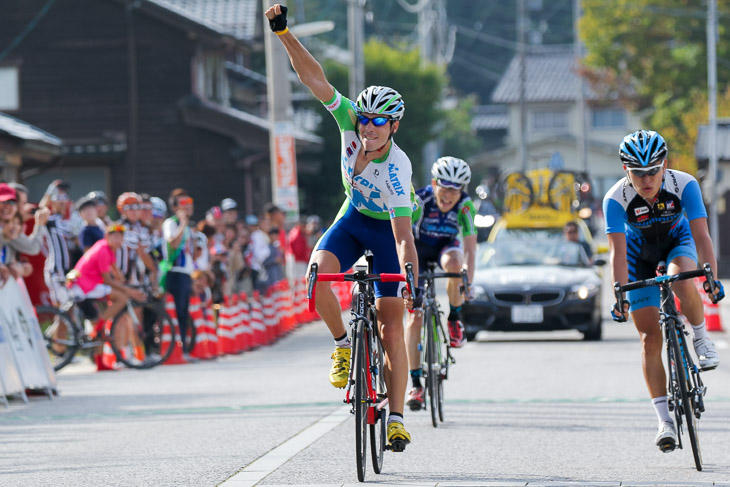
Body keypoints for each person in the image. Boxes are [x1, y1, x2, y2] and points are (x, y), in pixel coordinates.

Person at [265, 3, 420, 450]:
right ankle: (342, 343)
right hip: (352, 219)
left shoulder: (397, 168)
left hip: (388, 230)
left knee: (392, 327)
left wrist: (408, 275)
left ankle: (395, 417)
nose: (368, 128)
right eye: (365, 120)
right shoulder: (349, 121)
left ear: (393, 126)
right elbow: (315, 79)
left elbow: (403, 236)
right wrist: (283, 33)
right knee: (316, 280)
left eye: (378, 123)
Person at [604, 129, 724, 453]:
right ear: (626, 171)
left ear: (665, 165)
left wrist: (710, 278)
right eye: (638, 173)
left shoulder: (684, 185)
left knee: (681, 278)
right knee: (649, 338)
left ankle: (700, 337)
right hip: (637, 255)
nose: (647, 179)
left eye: (653, 171)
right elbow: (617, 252)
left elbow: (702, 235)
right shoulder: (615, 199)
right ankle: (664, 421)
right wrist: (619, 297)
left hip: (677, 242)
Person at [404, 157, 477, 411]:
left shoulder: (466, 207)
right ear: (434, 184)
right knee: (414, 317)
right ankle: (416, 384)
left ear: (462, 191)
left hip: (447, 248)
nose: (448, 196)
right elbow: (405, 241)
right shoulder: (419, 202)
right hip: (418, 251)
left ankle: (454, 318)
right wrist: (408, 280)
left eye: (454, 190)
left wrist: (469, 281)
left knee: (456, 265)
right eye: (444, 188)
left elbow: (469, 247)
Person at [68, 224, 146, 370]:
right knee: (122, 297)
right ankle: (100, 325)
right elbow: (109, 280)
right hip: (83, 286)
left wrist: (128, 286)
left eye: (120, 237)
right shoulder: (103, 250)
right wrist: (129, 291)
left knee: (104, 317)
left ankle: (100, 362)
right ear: (107, 237)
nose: (118, 240)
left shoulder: (109, 249)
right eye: (114, 237)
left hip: (88, 285)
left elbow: (117, 274)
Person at [162, 192, 196, 360]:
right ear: (175, 207)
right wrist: (182, 224)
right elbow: (173, 243)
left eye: (190, 203)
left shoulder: (189, 226)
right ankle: (180, 351)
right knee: (178, 313)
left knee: (184, 312)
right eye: (183, 204)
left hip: (186, 273)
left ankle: (184, 349)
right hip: (175, 272)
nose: (188, 207)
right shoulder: (171, 223)